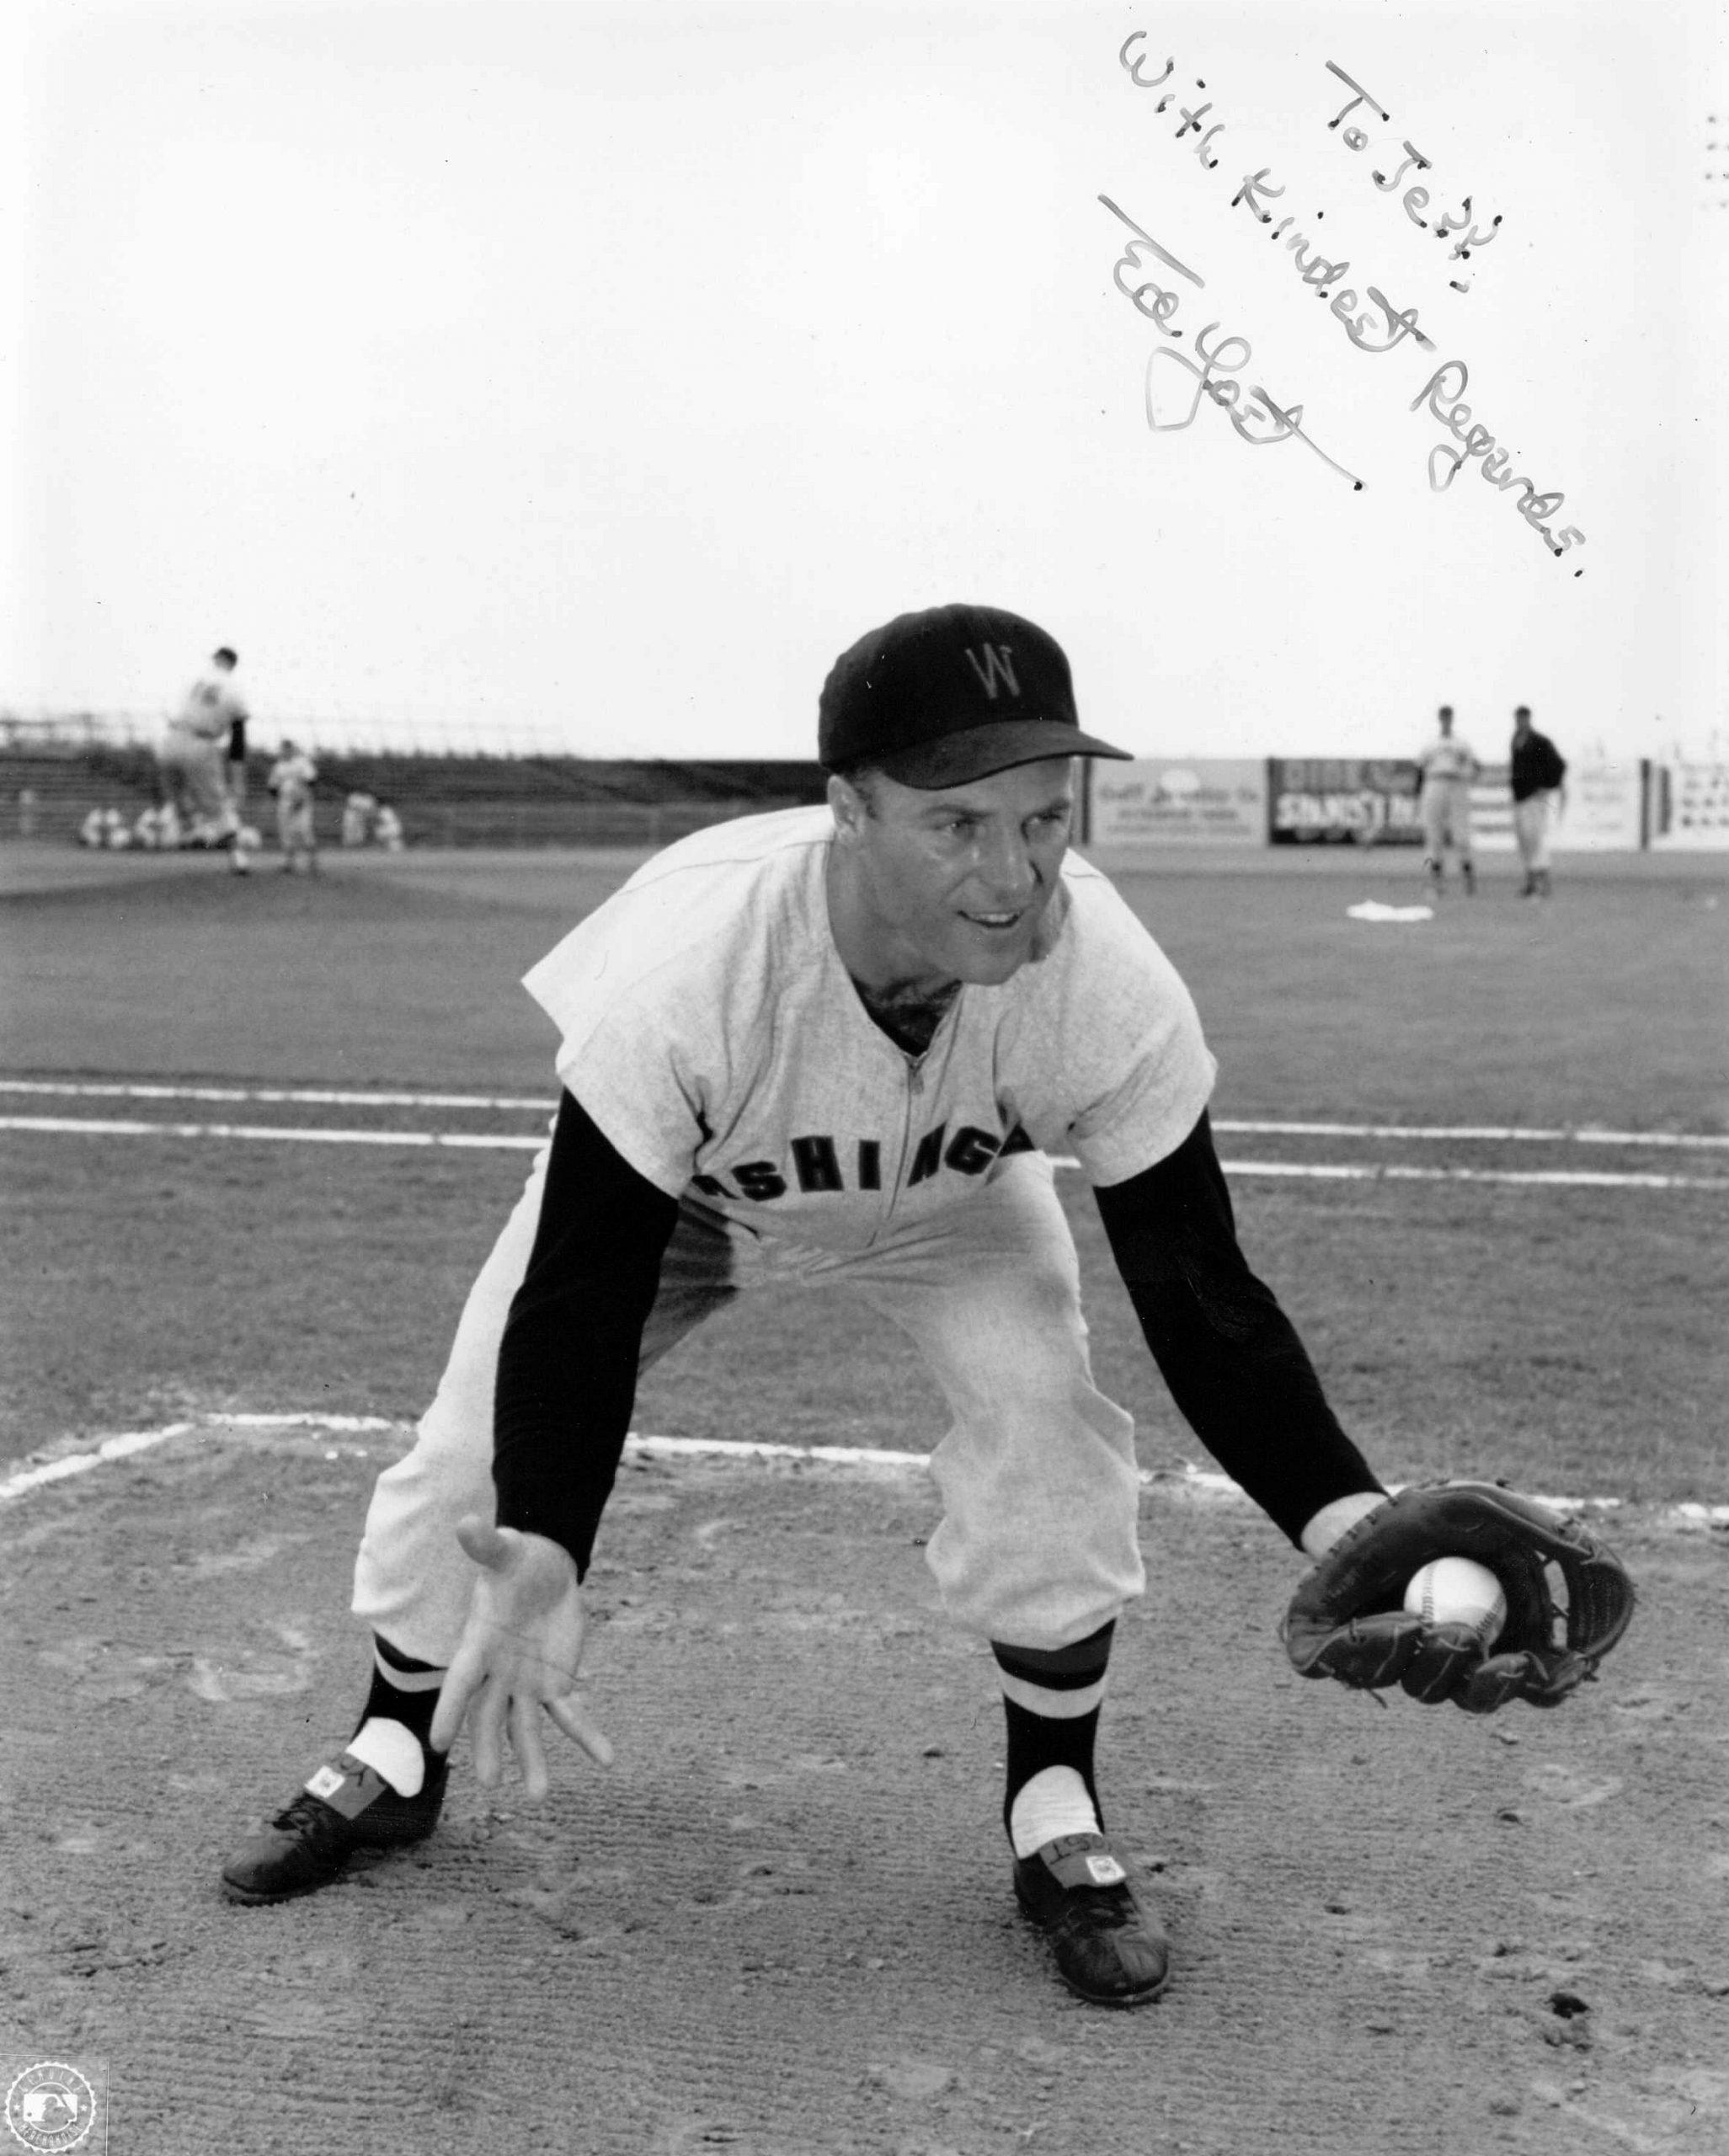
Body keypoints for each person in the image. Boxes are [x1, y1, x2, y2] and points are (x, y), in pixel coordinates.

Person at [220, 605, 1523, 2009]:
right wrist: (546, 1535)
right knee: (469, 1459)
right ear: (846, 811)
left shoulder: (1102, 979)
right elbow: (583, 1289)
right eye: (954, 825)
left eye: (1042, 817)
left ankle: (1052, 1808)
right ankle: (396, 1744)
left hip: (951, 1203)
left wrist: (1350, 1525)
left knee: (1046, 1429)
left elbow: (1198, 1284)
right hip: (693, 1207)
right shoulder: (687, 962)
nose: (1014, 872)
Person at [156, 647, 253, 872]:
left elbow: (171, 711)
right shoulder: (234, 687)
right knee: (218, 806)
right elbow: (238, 734)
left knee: (179, 802)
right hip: (201, 742)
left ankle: (191, 832)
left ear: (217, 660)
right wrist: (238, 776)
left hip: (171, 741)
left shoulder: (193, 679)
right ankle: (236, 854)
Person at [1413, 705, 1479, 894]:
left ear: (1452, 718)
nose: (1446, 720)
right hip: (1434, 783)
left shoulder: (1461, 743)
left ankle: (1468, 879)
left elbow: (1475, 766)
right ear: (1439, 719)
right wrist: (1418, 793)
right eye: (1443, 717)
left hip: (1457, 784)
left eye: (1449, 717)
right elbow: (1420, 768)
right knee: (1434, 835)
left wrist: (1467, 778)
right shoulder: (1431, 744)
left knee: (1461, 835)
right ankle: (1435, 882)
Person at [1509, 705, 1567, 899]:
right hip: (1520, 798)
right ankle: (1531, 883)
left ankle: (1544, 885)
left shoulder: (1539, 741)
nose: (1520, 722)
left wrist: (1546, 785)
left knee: (1536, 840)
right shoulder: (1516, 740)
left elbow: (1558, 764)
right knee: (1525, 842)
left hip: (1534, 798)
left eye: (1523, 718)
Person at [267, 739, 321, 874]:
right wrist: (280, 800)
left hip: (302, 802)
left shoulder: (302, 762)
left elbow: (311, 780)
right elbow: (273, 787)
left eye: (288, 748)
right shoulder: (278, 766)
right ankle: (288, 863)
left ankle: (313, 861)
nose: (285, 751)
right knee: (286, 833)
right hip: (285, 803)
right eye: (283, 749)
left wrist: (302, 798)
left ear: (292, 749)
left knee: (304, 830)